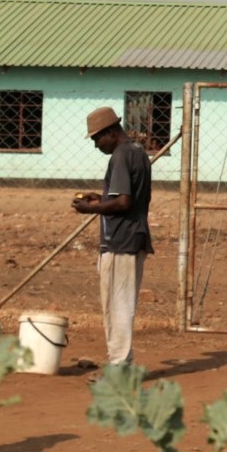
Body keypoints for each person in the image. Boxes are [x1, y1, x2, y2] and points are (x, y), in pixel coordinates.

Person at [72, 105, 154, 369]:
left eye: (97, 138)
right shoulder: (137, 152)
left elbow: (123, 203)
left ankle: (119, 368)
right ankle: (122, 364)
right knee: (121, 305)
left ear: (110, 132)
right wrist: (101, 198)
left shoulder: (120, 156)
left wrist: (91, 208)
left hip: (121, 240)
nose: (96, 145)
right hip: (132, 237)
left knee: (116, 307)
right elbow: (123, 198)